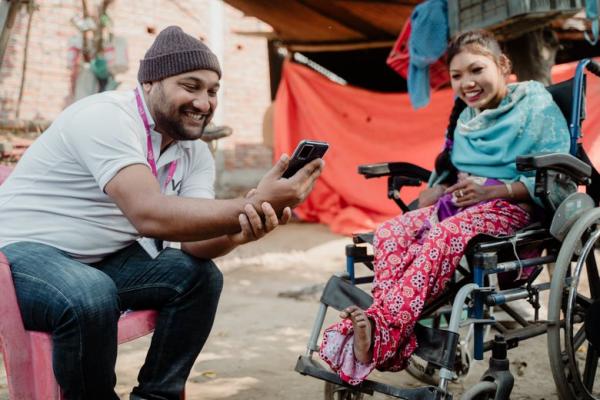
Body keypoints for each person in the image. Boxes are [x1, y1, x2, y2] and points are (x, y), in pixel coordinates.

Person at [0, 26, 323, 399]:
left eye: (212, 91)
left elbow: (194, 245)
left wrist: (245, 228)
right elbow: (148, 214)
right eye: (190, 86)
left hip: (99, 260)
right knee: (90, 293)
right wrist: (247, 204)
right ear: (150, 83)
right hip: (18, 254)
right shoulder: (107, 117)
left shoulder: (194, 152)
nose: (204, 102)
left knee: (198, 277)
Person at [319, 30, 570, 385]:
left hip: (513, 209)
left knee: (445, 234)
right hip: (459, 204)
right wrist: (437, 189)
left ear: (503, 65)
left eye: (476, 70)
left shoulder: (534, 103)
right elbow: (452, 169)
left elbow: (559, 174)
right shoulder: (465, 118)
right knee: (392, 231)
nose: (467, 83)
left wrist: (496, 190)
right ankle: (386, 328)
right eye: (457, 76)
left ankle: (378, 332)